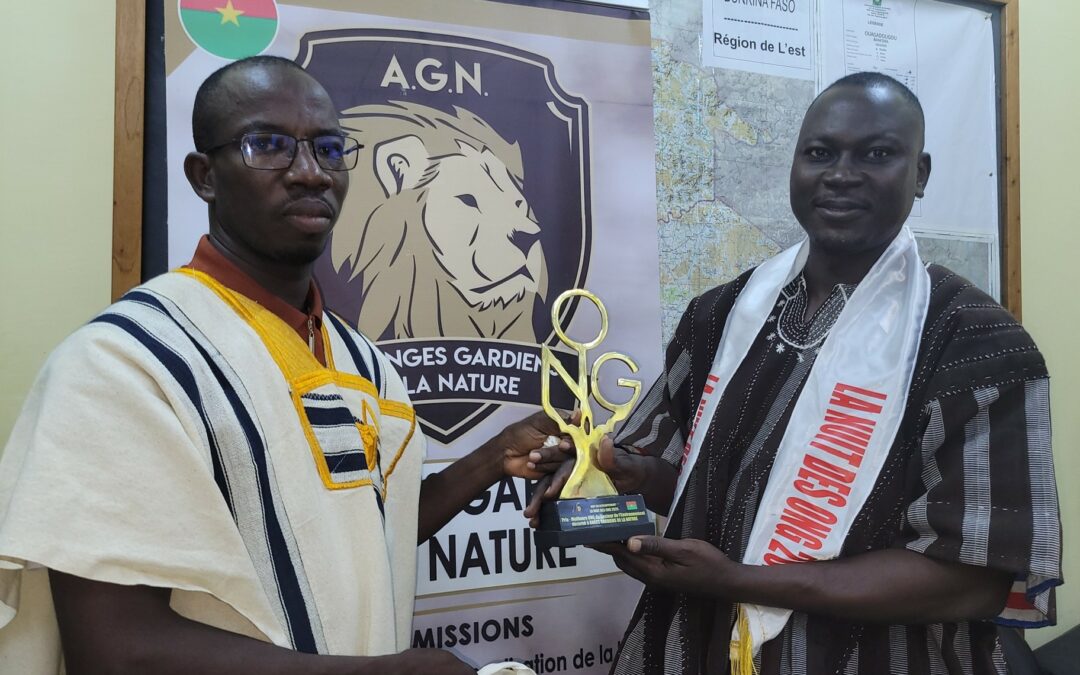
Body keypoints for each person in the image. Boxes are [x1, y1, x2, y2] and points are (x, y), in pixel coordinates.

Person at [0, 56, 569, 674]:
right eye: (267, 145)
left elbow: (359, 535)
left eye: (328, 148)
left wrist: (495, 458)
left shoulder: (364, 362)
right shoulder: (123, 364)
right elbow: (116, 649)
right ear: (204, 176)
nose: (310, 173)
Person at [528, 72, 1062, 674]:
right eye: (820, 153)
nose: (840, 173)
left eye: (878, 154)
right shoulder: (723, 314)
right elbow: (687, 478)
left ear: (921, 174)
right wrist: (614, 473)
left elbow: (973, 580)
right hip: (690, 647)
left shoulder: (974, 345)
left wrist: (745, 581)